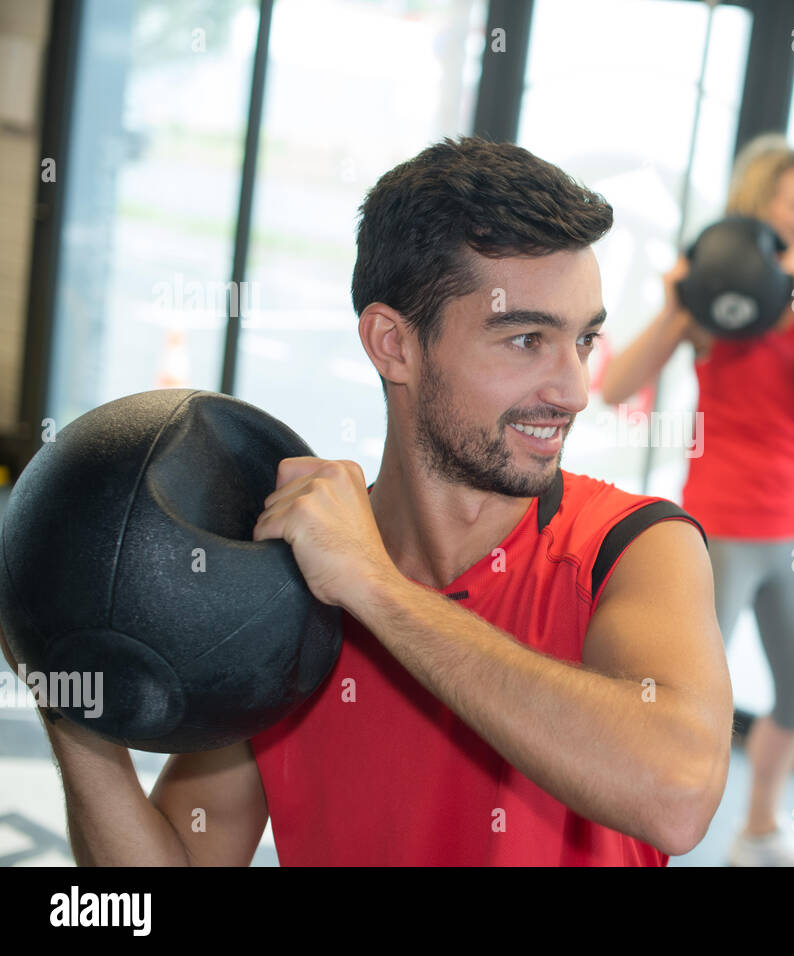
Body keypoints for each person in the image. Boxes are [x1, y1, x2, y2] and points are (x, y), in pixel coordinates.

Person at [0, 136, 734, 866]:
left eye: (582, 341)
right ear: (393, 344)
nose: (573, 391)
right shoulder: (282, 596)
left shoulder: (631, 549)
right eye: (526, 340)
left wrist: (376, 589)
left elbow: (677, 796)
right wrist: (64, 671)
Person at [601, 134, 794, 865]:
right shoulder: (713, 309)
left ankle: (759, 831)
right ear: (762, 205)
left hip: (791, 538)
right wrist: (683, 302)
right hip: (714, 536)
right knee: (686, 710)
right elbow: (617, 390)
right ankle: (638, 842)